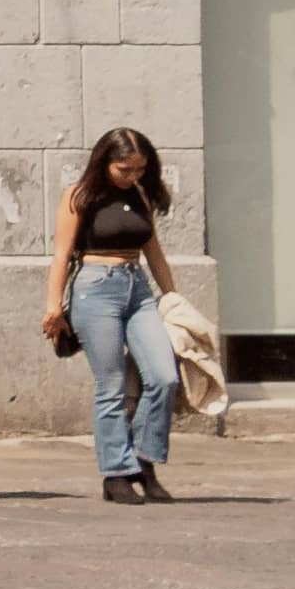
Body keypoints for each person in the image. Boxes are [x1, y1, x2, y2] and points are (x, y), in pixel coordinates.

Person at [42, 125, 181, 503]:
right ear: (105, 163)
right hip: (95, 289)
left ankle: (143, 460)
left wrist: (173, 298)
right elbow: (60, 254)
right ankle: (116, 474)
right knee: (112, 386)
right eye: (125, 169)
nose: (133, 176)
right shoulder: (79, 196)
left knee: (164, 377)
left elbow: (154, 252)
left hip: (137, 288)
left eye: (139, 169)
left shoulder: (139, 194)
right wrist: (54, 307)